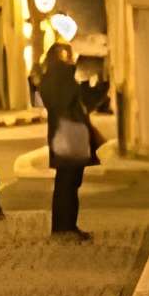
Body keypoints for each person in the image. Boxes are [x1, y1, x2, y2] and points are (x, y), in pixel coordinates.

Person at [38, 44, 102, 240]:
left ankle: (62, 227)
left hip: (60, 135)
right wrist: (99, 88)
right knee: (69, 183)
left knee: (64, 183)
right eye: (68, 55)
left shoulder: (48, 78)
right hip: (71, 135)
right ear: (60, 56)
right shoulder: (63, 76)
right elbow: (76, 101)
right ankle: (66, 228)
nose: (71, 60)